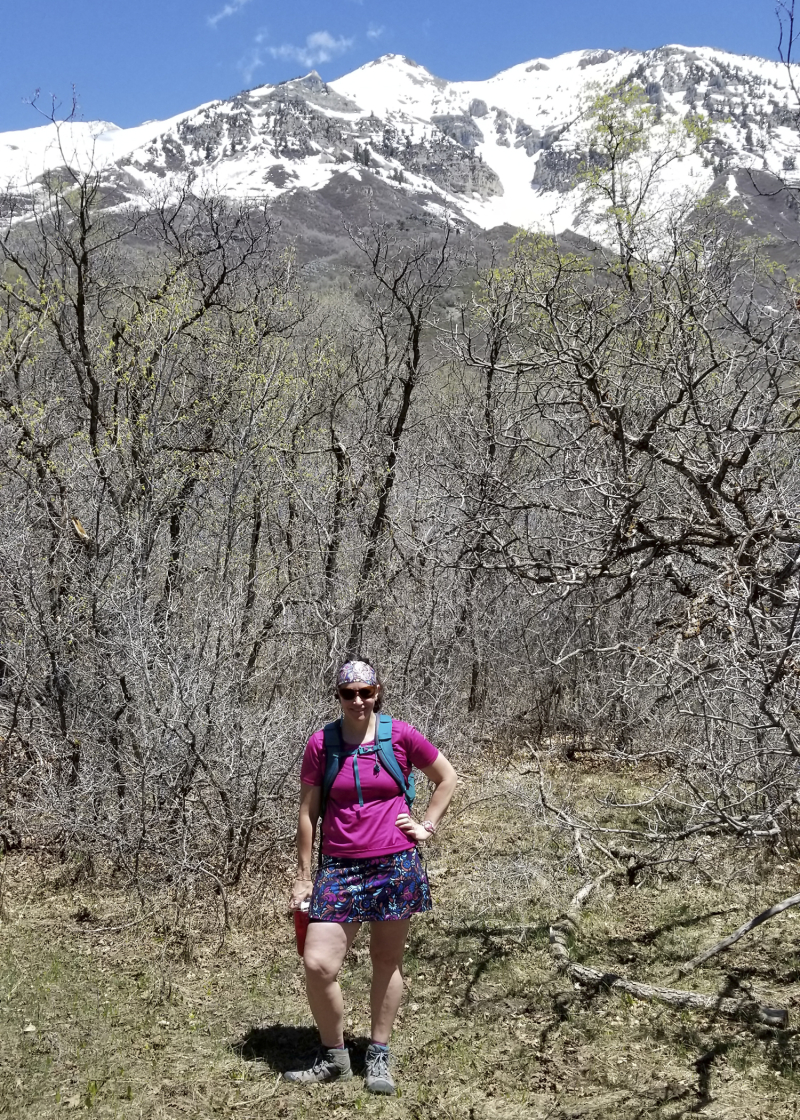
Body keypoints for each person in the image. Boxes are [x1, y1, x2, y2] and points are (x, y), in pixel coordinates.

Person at [285, 658, 458, 1095]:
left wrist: (427, 826)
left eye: (366, 692)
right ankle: (335, 1057)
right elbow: (307, 813)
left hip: (395, 864)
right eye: (349, 693)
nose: (358, 700)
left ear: (377, 691)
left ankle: (378, 1054)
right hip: (339, 866)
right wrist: (304, 876)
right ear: (338, 696)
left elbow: (447, 778)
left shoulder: (399, 735)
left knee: (386, 960)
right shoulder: (322, 743)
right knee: (318, 962)